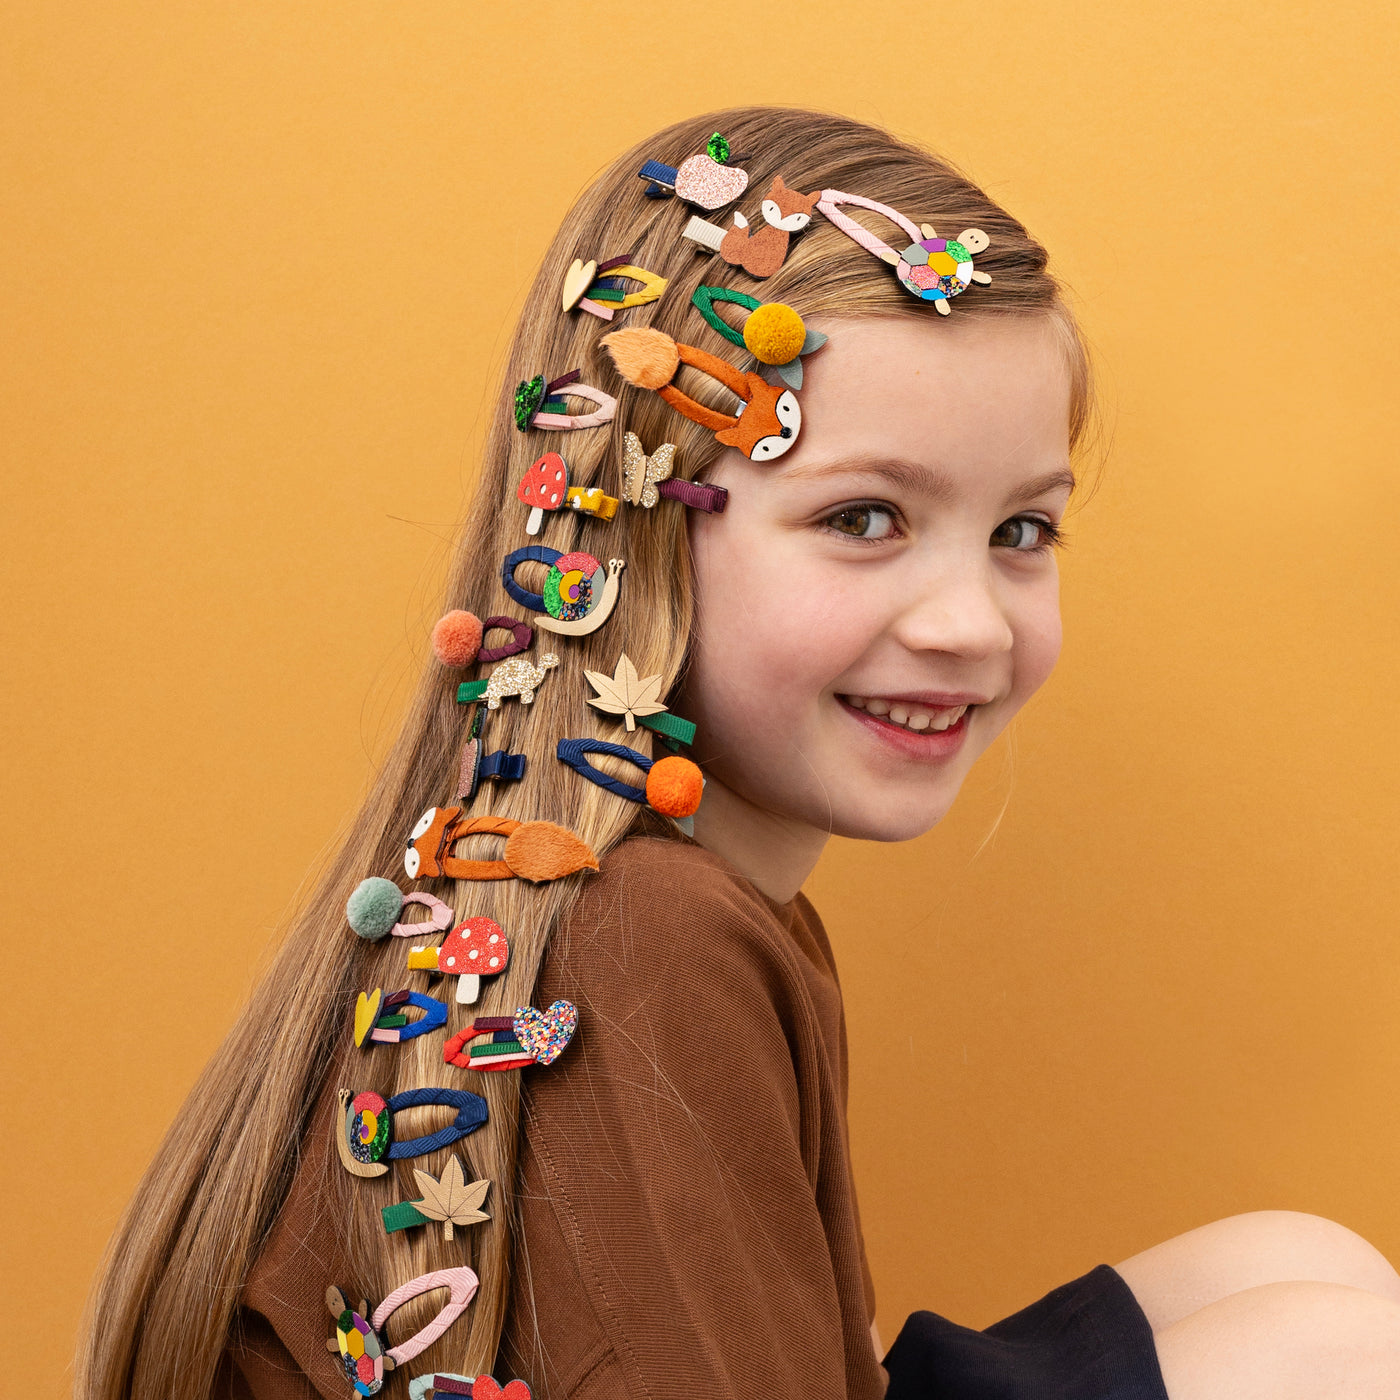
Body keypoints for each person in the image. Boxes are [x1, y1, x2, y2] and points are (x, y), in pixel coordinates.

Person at [77, 106, 1400, 1400]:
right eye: (865, 516)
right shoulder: (648, 935)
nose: (968, 624)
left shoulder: (691, 907)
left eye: (1021, 533)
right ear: (635, 534)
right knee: (1341, 1360)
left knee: (1304, 1260)